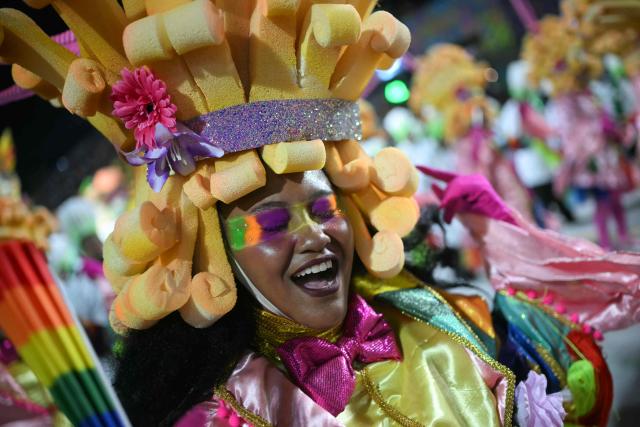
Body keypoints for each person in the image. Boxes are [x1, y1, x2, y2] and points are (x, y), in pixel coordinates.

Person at [3, 2, 640, 427]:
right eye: (273, 225)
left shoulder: (448, 316)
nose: (314, 236)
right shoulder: (225, 411)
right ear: (216, 256)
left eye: (325, 208)